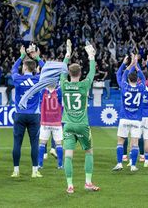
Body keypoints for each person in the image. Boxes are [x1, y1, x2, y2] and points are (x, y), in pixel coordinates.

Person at [61, 39, 100, 193]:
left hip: (68, 124)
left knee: (68, 156)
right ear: (80, 73)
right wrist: (91, 56)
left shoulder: (63, 84)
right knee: (89, 151)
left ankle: (70, 186)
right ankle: (88, 183)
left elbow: (62, 70)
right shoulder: (84, 85)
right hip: (82, 124)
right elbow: (92, 72)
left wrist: (67, 54)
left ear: (69, 73)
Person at [11, 45, 45, 178]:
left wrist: (21, 56)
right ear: (34, 69)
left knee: (17, 143)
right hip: (34, 116)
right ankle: (35, 170)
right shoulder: (38, 79)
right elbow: (47, 69)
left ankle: (16, 170)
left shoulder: (17, 78)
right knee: (34, 143)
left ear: (24, 68)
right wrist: (37, 57)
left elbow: (13, 69)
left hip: (20, 114)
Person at [113, 54, 145, 172]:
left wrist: (127, 64)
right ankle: (132, 165)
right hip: (136, 119)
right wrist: (136, 65)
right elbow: (143, 77)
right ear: (137, 80)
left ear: (128, 79)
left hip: (124, 118)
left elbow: (119, 74)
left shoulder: (124, 86)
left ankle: (119, 163)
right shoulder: (141, 87)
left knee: (120, 142)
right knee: (135, 143)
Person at [38, 83, 63, 169]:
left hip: (45, 122)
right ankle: (60, 165)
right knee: (59, 144)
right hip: (57, 122)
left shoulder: (43, 91)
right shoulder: (59, 92)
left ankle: (40, 165)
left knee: (42, 143)